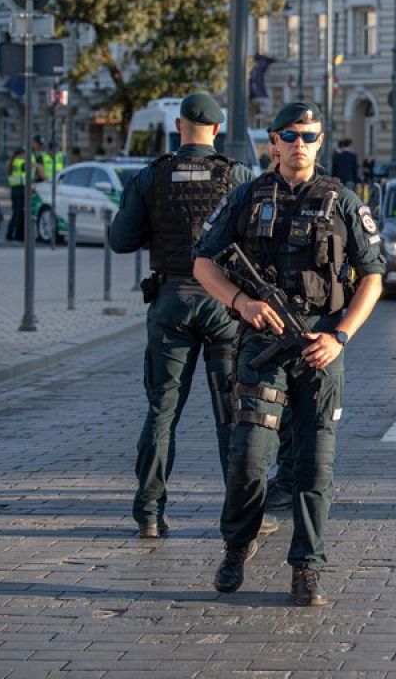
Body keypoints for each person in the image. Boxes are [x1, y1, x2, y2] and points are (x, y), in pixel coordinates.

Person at [193, 100, 385, 603]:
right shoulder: (247, 197)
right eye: (291, 136)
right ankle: (237, 546)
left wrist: (340, 335)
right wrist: (241, 302)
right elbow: (202, 264)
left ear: (320, 142)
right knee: (248, 462)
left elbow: (372, 278)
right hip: (263, 346)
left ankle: (307, 566)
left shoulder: (343, 200)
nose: (301, 145)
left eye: (310, 136)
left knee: (313, 468)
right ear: (272, 142)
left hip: (320, 346)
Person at [107, 92, 279, 542]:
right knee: (232, 412)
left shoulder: (152, 176)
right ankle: (239, 518)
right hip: (224, 304)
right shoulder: (238, 176)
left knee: (162, 411)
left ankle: (149, 512)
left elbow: (121, 240)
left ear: (179, 126)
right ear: (217, 131)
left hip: (170, 302)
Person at [5, 145, 43, 241]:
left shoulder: (12, 162)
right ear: (20, 154)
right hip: (22, 189)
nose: (26, 155)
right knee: (21, 213)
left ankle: (9, 234)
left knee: (16, 212)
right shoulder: (22, 163)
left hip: (14, 189)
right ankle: (19, 235)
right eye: (24, 153)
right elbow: (26, 176)